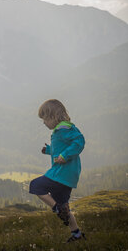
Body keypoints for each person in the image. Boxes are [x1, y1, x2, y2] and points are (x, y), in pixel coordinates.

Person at [29, 99, 86, 243]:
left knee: (36, 186)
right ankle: (77, 234)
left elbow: (80, 141)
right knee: (64, 206)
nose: (44, 123)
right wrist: (49, 150)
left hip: (61, 174)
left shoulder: (63, 129)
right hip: (66, 177)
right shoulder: (62, 129)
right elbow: (60, 149)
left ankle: (57, 208)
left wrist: (65, 156)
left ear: (53, 116)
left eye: (45, 119)